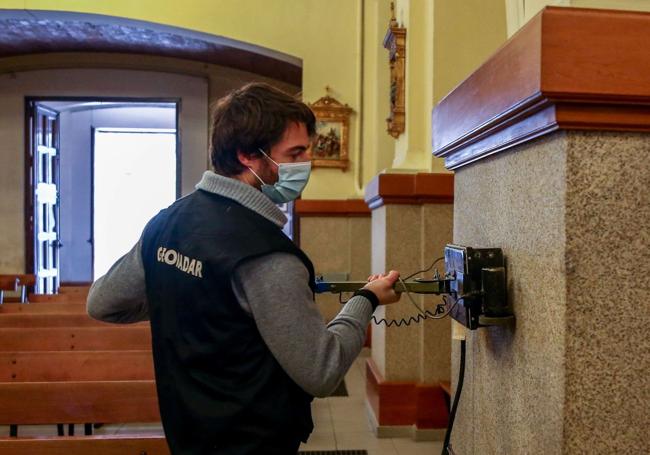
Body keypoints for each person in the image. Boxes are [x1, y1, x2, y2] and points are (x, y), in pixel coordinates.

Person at [87, 82, 401, 455]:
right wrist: (366, 299)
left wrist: (189, 298)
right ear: (248, 156)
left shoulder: (167, 223)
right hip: (252, 440)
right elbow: (322, 369)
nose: (306, 165)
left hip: (188, 433)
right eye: (295, 153)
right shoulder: (266, 255)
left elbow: (102, 301)